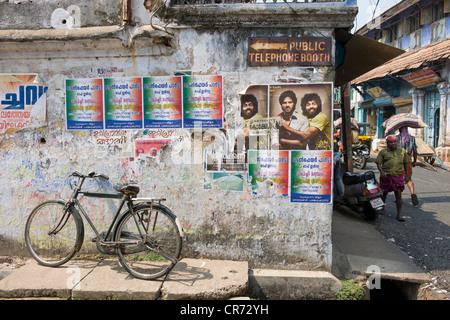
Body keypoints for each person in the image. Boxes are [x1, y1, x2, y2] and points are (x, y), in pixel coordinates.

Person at [375, 135, 411, 222]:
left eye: (395, 142)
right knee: (384, 193)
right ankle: (382, 207)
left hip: (398, 176)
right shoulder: (383, 152)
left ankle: (399, 214)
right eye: (391, 142)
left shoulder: (402, 151)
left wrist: (407, 176)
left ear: (397, 143)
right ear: (387, 144)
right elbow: (378, 163)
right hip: (386, 176)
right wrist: (382, 172)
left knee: (398, 194)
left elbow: (406, 163)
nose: (393, 143)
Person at [397, 126, 419, 206]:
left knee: (398, 178)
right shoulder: (412, 138)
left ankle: (399, 198)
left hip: (399, 159)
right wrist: (414, 161)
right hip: (408, 158)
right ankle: (413, 194)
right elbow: (415, 151)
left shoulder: (396, 138)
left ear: (399, 130)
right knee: (408, 178)